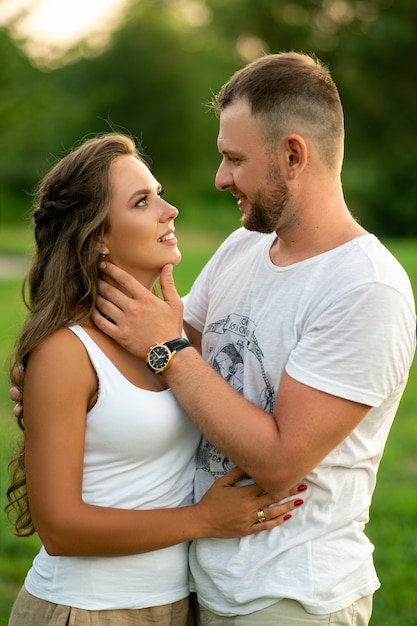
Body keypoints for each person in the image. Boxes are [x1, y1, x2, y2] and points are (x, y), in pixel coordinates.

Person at [88, 52, 416, 625]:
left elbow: (280, 460)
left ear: (292, 155)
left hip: (290, 598)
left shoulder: (367, 289)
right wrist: (70, 377)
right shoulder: (242, 248)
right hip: (199, 579)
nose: (219, 179)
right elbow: (150, 353)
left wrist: (169, 351)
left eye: (234, 159)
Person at [5, 132, 306, 626]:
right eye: (143, 201)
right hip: (87, 609)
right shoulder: (66, 350)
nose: (170, 211)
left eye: (159, 194)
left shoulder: (172, 334)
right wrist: (204, 520)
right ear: (98, 234)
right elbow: (58, 527)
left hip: (175, 605)